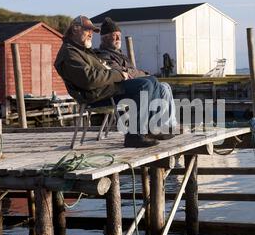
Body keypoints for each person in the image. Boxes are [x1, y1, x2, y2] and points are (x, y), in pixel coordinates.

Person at [54, 15, 173, 148]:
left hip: (105, 89)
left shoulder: (81, 51)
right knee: (144, 85)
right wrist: (119, 75)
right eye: (88, 30)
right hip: (94, 95)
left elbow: (101, 71)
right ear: (75, 29)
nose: (91, 34)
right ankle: (134, 136)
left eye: (92, 32)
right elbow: (89, 80)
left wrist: (116, 74)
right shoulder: (70, 53)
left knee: (152, 80)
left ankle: (151, 129)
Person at [96, 17, 178, 133]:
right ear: (105, 38)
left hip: (133, 85)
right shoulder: (103, 55)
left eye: (119, 35)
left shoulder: (120, 55)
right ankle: (157, 126)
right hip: (121, 90)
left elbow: (132, 71)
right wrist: (139, 73)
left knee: (165, 85)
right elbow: (120, 71)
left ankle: (169, 124)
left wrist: (137, 73)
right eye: (115, 35)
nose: (119, 38)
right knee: (160, 86)